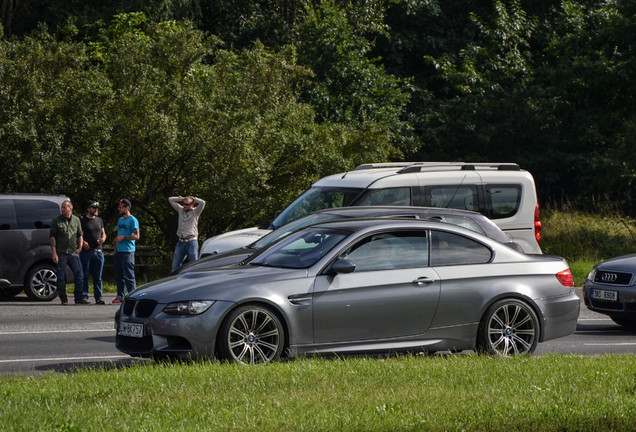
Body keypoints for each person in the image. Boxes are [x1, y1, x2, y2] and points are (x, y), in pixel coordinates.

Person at [49, 199, 85, 305]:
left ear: (70, 208)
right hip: (61, 252)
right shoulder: (56, 220)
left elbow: (80, 235)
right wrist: (54, 253)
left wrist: (80, 247)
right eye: (62, 207)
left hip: (73, 252)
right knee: (60, 276)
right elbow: (52, 237)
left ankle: (78, 298)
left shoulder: (76, 220)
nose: (63, 209)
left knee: (79, 275)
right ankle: (63, 298)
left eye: (65, 207)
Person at [168, 195, 206, 272]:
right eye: (184, 204)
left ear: (192, 205)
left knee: (194, 264)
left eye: (187, 204)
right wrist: (181, 198)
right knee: (175, 265)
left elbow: (202, 203)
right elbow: (170, 199)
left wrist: (194, 198)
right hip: (181, 242)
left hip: (191, 242)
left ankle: (195, 281)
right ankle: (175, 282)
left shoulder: (196, 211)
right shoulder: (180, 209)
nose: (184, 206)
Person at [112, 199, 139, 304]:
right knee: (119, 276)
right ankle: (120, 296)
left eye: (121, 207)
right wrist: (115, 249)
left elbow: (136, 236)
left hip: (128, 251)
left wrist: (124, 237)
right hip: (119, 251)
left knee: (129, 275)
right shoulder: (120, 220)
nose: (119, 209)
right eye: (118, 207)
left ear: (127, 208)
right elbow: (118, 234)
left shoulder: (133, 220)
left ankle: (133, 296)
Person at [80, 200, 107, 305]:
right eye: (93, 207)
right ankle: (84, 296)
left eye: (97, 207)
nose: (96, 209)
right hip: (87, 252)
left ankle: (98, 297)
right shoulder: (83, 221)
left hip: (98, 252)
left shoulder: (99, 220)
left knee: (98, 277)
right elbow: (79, 235)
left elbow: (103, 233)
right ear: (88, 209)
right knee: (85, 275)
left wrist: (103, 239)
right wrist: (83, 242)